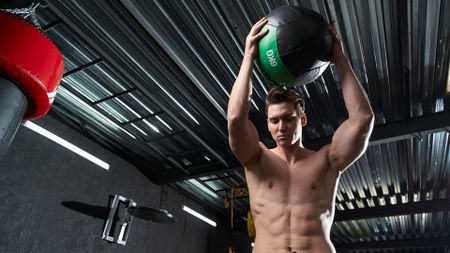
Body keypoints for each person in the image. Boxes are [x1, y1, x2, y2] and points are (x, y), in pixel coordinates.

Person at [227, 17, 374, 253]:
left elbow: (363, 119)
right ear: (267, 123)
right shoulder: (256, 159)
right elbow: (235, 118)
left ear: (302, 119)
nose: (281, 127)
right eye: (274, 121)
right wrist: (248, 59)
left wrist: (340, 59)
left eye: (288, 119)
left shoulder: (327, 160)